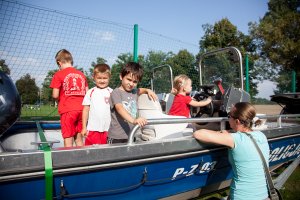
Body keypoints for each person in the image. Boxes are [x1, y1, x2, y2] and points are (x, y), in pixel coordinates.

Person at [193, 102, 269, 200]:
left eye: (229, 116)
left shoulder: (235, 139)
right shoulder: (261, 135)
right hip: (263, 196)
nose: (227, 118)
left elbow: (198, 134)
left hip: (242, 197)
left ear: (237, 121)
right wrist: (228, 133)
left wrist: (223, 133)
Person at [107, 62, 157, 144]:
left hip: (131, 134)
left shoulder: (134, 92)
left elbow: (141, 90)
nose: (131, 84)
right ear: (121, 77)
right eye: (129, 79)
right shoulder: (116, 92)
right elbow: (119, 108)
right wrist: (134, 120)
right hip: (116, 137)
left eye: (135, 81)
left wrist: (148, 90)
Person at [50, 49, 88, 147]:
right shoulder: (82, 75)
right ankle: (81, 160)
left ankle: (69, 160)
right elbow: (87, 93)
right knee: (79, 139)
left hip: (68, 110)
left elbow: (55, 95)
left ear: (59, 63)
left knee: (68, 139)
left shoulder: (58, 74)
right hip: (82, 110)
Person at [81, 64, 112, 145]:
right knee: (91, 153)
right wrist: (84, 127)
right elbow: (85, 110)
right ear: (94, 77)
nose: (102, 81)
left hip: (108, 129)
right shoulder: (90, 92)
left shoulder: (112, 92)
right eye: (99, 78)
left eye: (105, 78)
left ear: (109, 78)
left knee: (107, 153)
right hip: (92, 129)